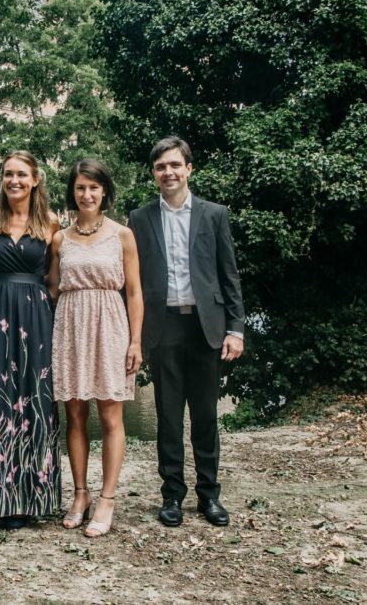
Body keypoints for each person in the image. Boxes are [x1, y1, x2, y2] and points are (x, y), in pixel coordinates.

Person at [127, 136, 245, 528]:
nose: (169, 172)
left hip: (205, 327)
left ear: (188, 168)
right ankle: (172, 496)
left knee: (207, 416)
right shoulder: (140, 219)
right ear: (154, 173)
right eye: (161, 167)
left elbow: (229, 275)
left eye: (175, 165)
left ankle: (209, 496)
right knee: (168, 416)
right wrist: (134, 335)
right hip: (163, 327)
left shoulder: (214, 215)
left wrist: (236, 329)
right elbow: (133, 282)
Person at [48, 159, 143, 538]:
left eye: (93, 188)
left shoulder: (122, 235)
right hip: (70, 324)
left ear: (105, 192)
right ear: (72, 191)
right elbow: (52, 290)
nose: (86, 194)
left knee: (110, 417)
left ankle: (107, 499)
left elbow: (134, 292)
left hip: (110, 324)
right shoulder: (59, 238)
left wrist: (136, 340)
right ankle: (81, 494)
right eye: (80, 187)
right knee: (74, 415)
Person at [0, 151, 61, 529]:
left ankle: (33, 496)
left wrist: (42, 313)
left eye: (22, 174)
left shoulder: (51, 222)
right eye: (8, 174)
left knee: (34, 398)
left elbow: (54, 281)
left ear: (36, 179)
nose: (14, 180)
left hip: (35, 316)